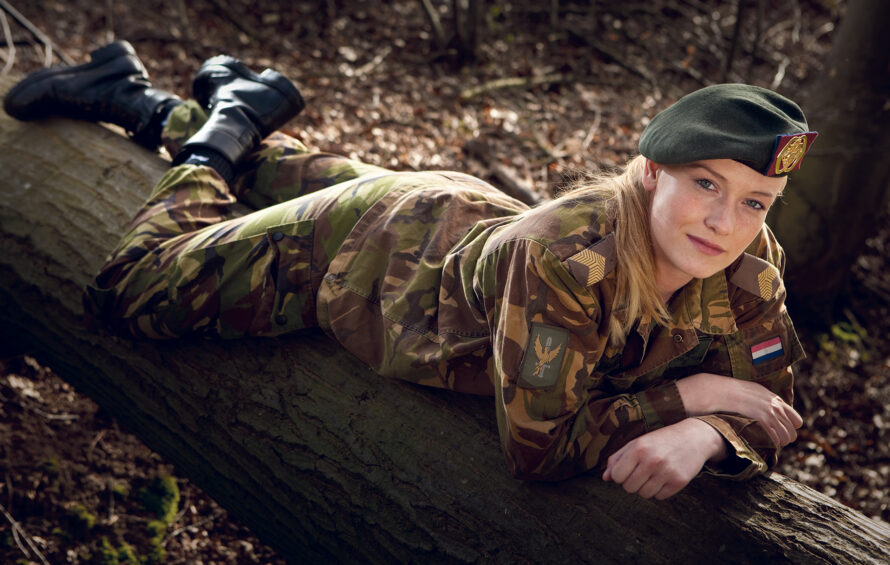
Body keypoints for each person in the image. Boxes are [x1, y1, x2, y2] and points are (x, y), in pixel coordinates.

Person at [4, 41, 817, 500]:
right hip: (366, 254)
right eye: (705, 183)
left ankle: (145, 97)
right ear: (648, 172)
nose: (724, 222)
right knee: (132, 291)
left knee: (275, 176)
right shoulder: (567, 260)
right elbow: (541, 448)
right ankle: (225, 130)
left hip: (456, 213)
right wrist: (695, 394)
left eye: (755, 201)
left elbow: (777, 401)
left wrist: (708, 434)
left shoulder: (746, 269)